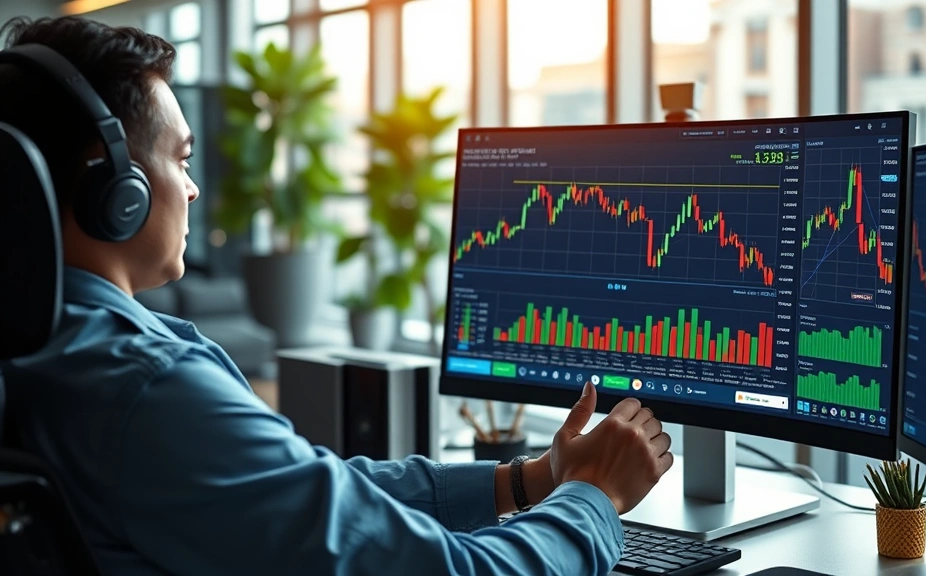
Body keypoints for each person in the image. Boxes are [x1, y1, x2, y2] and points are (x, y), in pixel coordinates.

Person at [0, 16, 674, 576]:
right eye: (181, 160)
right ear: (115, 191)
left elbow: (321, 498)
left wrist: (527, 481)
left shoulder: (52, 347)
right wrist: (596, 497)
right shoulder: (144, 387)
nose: (194, 189)